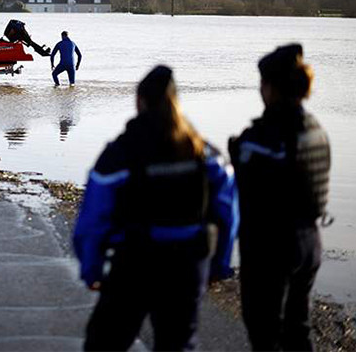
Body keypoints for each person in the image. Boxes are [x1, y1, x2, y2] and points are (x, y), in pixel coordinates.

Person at [73, 65, 238, 351]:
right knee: (178, 344)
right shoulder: (205, 154)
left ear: (140, 101)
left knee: (103, 343)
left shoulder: (119, 154)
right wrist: (219, 264)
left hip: (136, 263)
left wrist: (92, 270)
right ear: (176, 102)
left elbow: (92, 221)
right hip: (188, 265)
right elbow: (228, 213)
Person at [229, 44, 330, 351]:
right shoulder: (316, 129)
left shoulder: (265, 137)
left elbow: (245, 177)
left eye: (262, 83)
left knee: (264, 334)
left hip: (272, 248)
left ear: (271, 88)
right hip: (309, 243)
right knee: (298, 330)